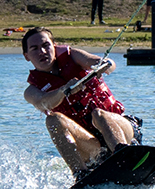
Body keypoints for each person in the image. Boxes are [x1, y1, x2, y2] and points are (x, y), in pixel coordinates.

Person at [22, 27, 139, 177]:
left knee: (98, 114)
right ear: (26, 56)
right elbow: (44, 103)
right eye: (34, 48)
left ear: (54, 45)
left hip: (120, 129)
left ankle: (124, 155)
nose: (42, 52)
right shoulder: (31, 91)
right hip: (91, 145)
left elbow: (100, 62)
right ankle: (80, 174)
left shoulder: (73, 56)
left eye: (46, 45)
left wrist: (104, 64)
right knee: (53, 120)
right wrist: (63, 90)